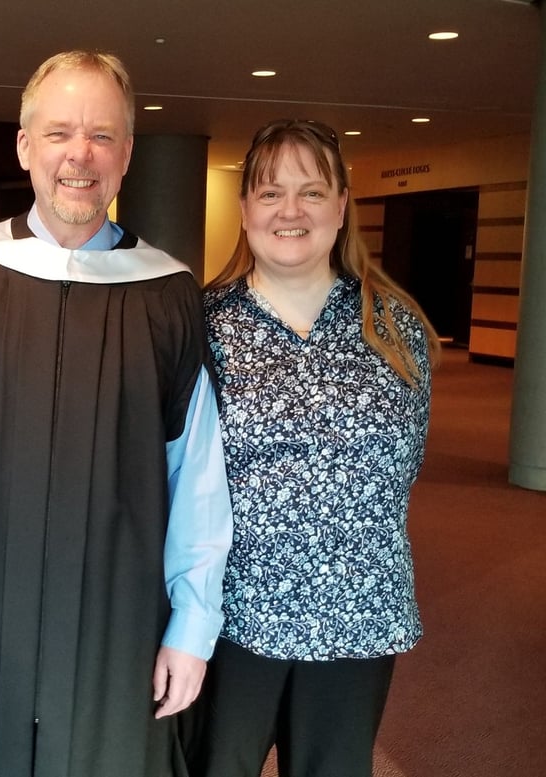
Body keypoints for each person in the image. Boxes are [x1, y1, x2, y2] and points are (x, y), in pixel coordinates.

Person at [0, 50, 232, 777]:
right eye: (59, 133)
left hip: (115, 617)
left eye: (102, 135)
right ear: (25, 146)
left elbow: (198, 478)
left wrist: (192, 623)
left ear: (126, 155)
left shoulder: (167, 294)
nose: (79, 155)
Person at [186, 119, 441, 777]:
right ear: (244, 211)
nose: (290, 211)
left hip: (358, 609)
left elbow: (403, 464)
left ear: (341, 205)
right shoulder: (202, 327)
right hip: (235, 613)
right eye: (271, 193)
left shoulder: (395, 326)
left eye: (311, 192)